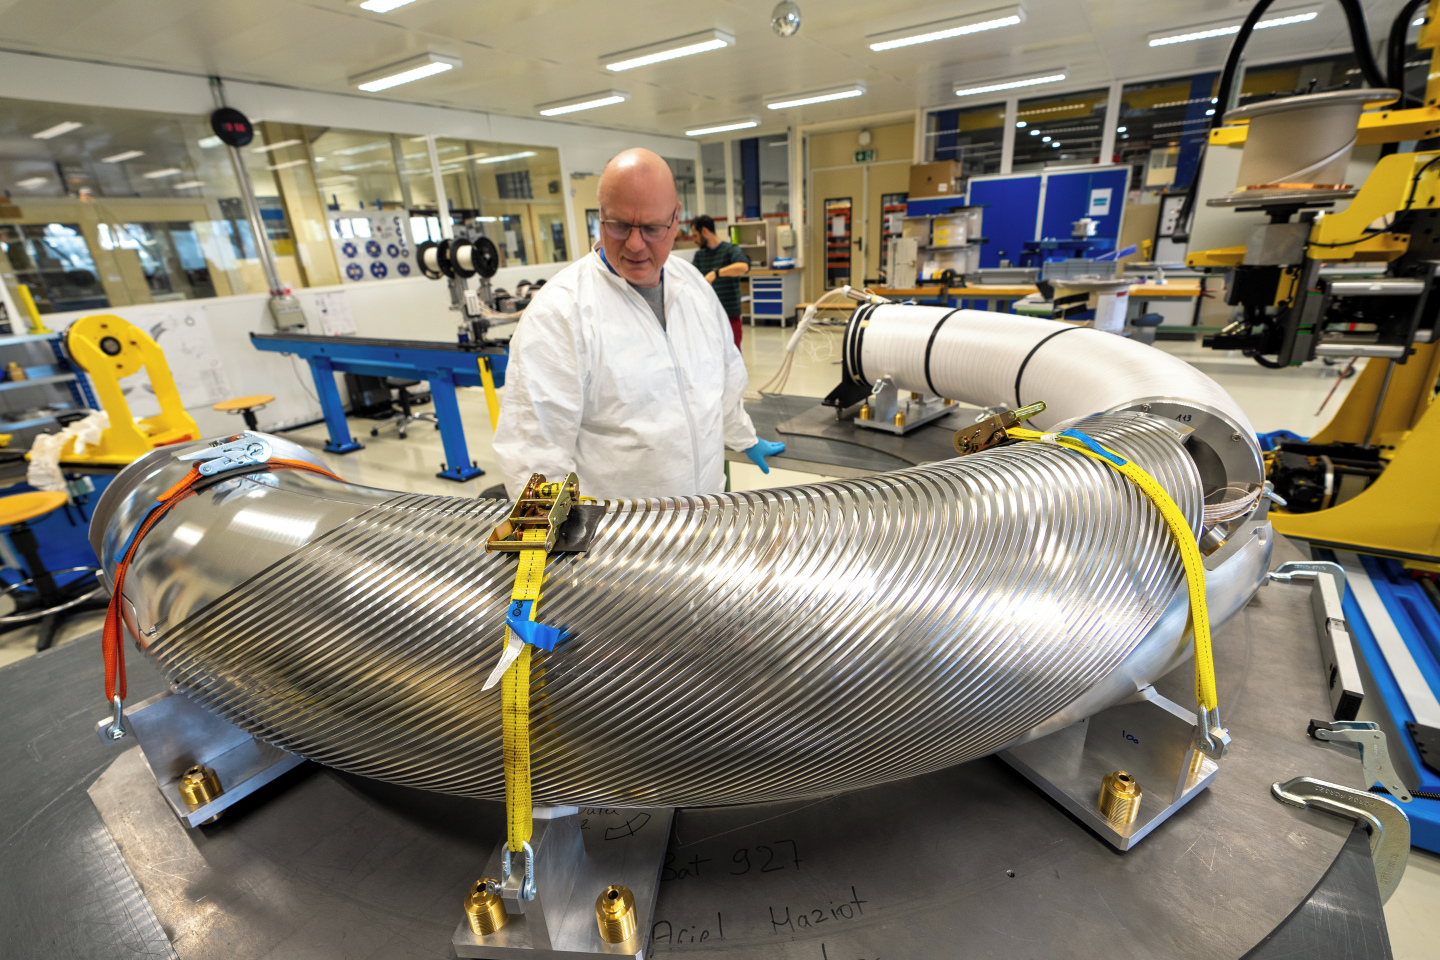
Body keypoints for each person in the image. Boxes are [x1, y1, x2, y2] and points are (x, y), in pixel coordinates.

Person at [492, 148, 785, 500]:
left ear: (676, 219)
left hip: (707, 515)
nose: (634, 244)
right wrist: (544, 542)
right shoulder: (560, 313)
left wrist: (743, 436)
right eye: (618, 225)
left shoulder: (692, 287)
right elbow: (533, 451)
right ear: (600, 217)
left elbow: (723, 379)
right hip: (620, 542)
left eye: (651, 228)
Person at [689, 215, 750, 348]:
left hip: (730, 317)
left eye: (695, 235)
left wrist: (715, 273)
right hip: (709, 319)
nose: (694, 240)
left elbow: (743, 267)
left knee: (733, 359)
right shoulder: (700, 256)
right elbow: (690, 279)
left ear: (704, 231)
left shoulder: (730, 250)